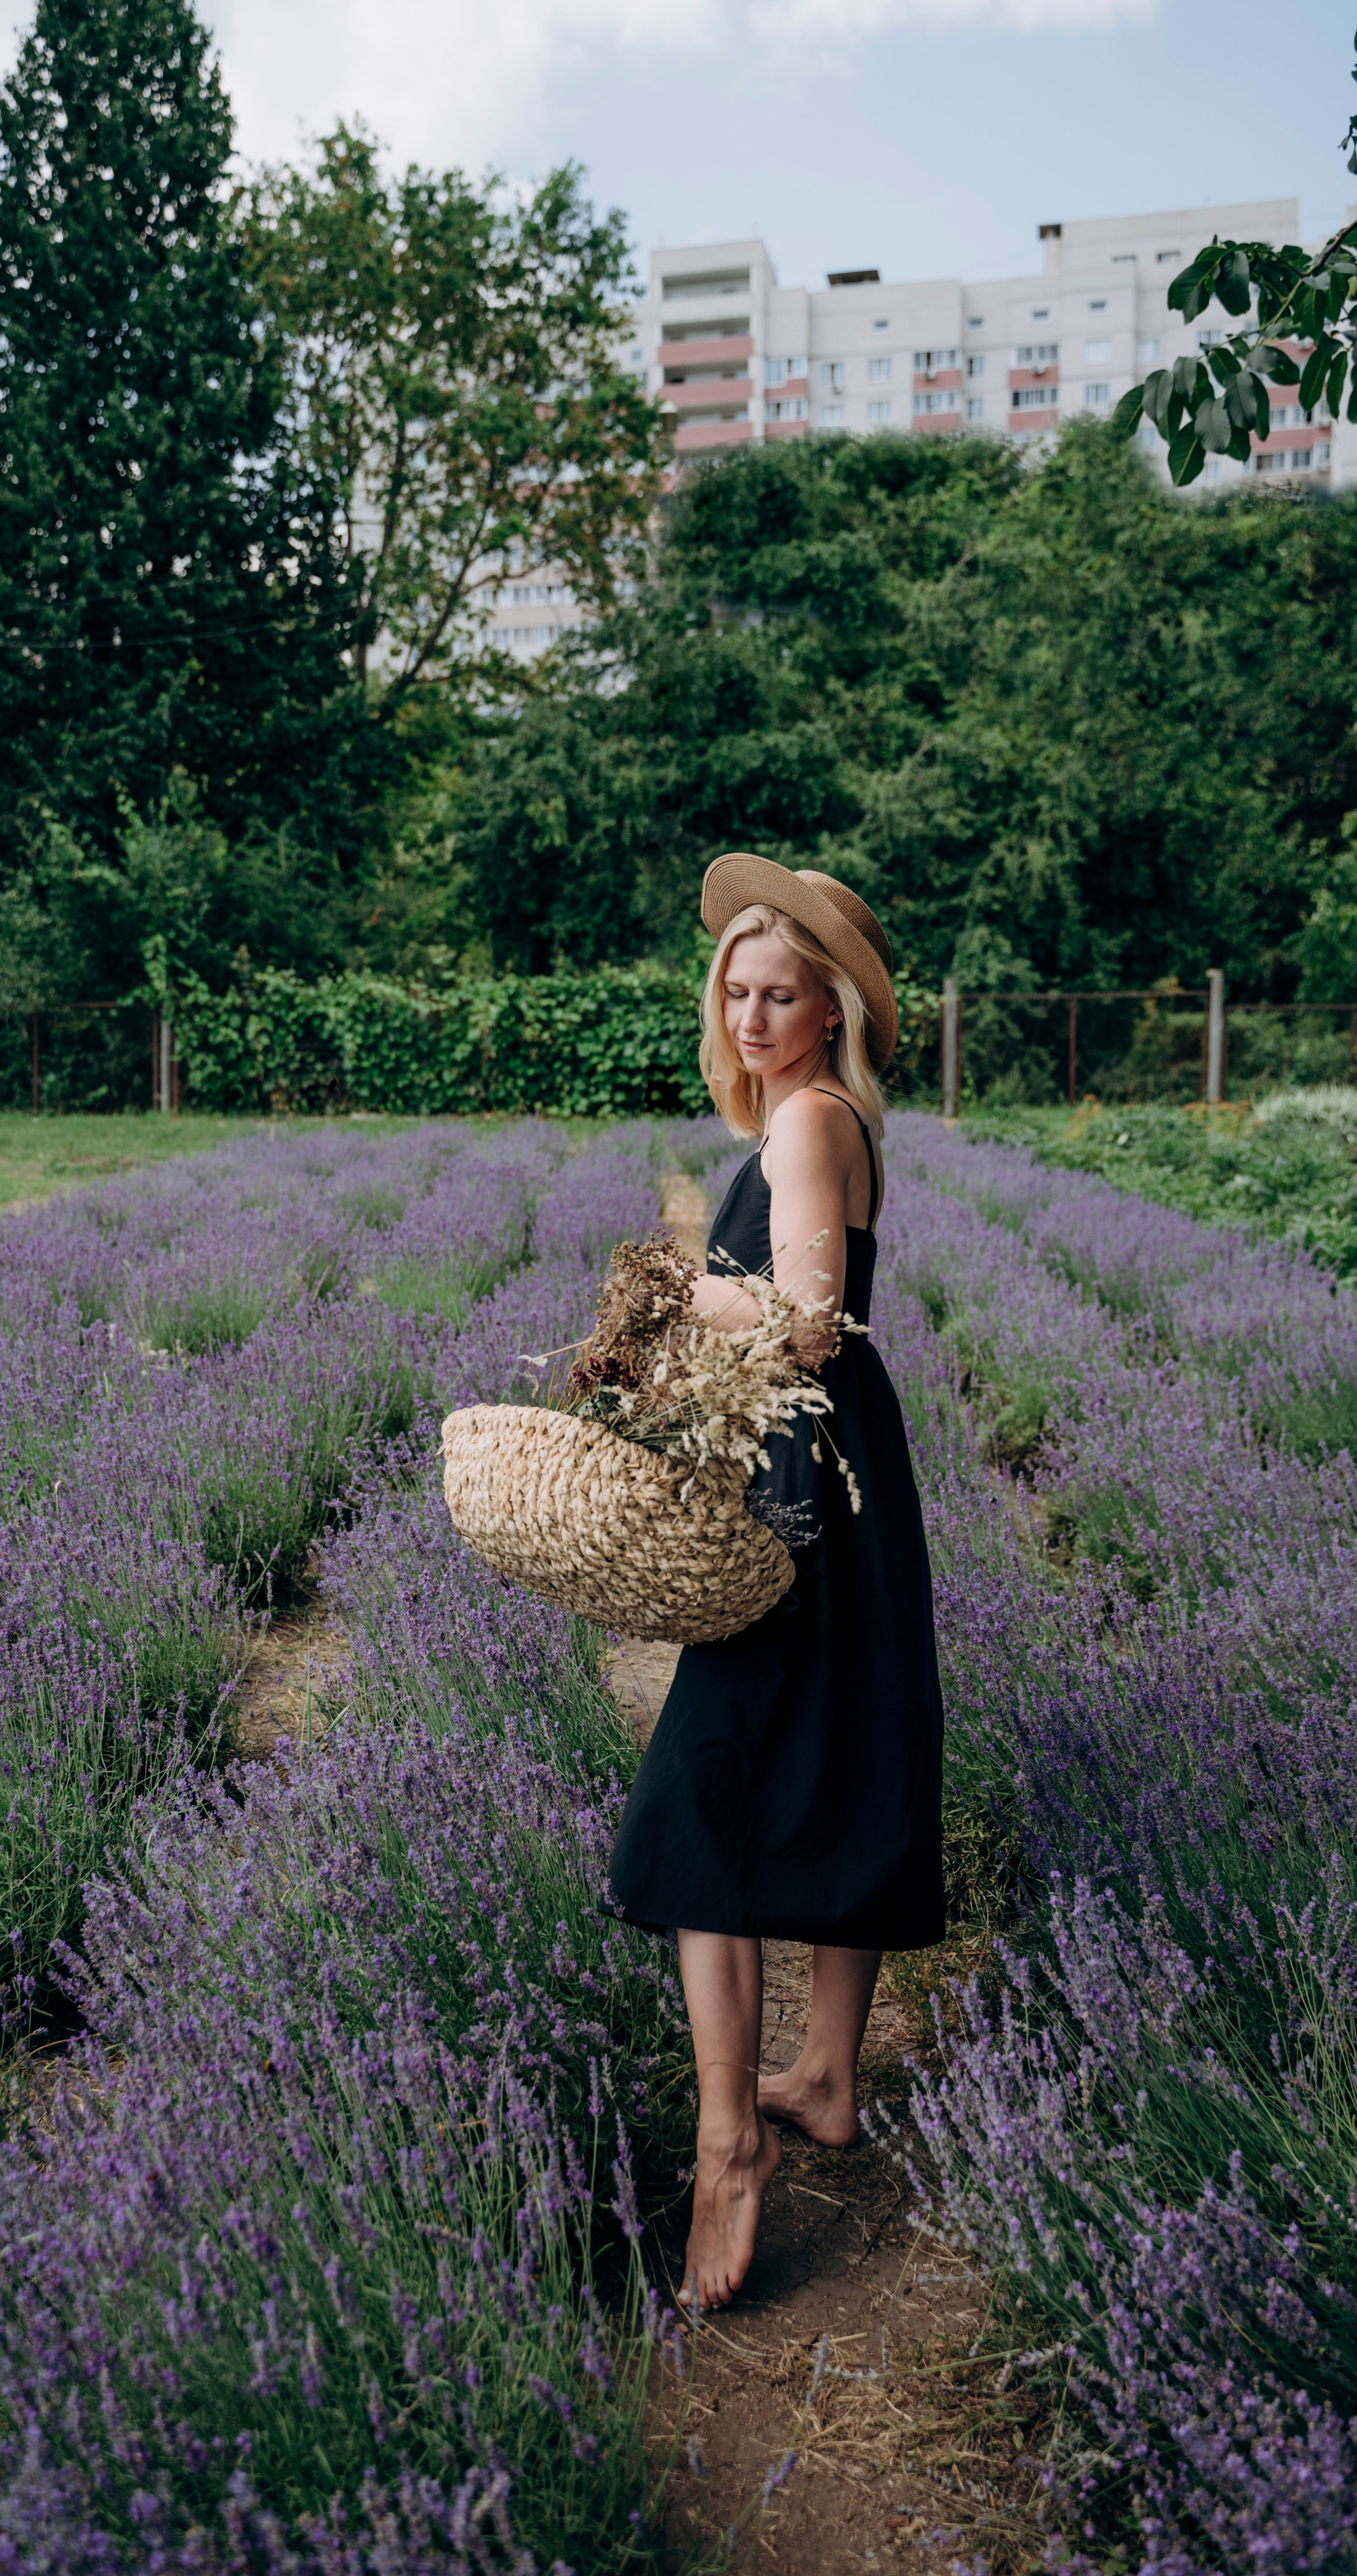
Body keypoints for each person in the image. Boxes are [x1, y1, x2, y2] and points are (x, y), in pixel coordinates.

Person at [608, 854, 945, 2311]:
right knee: (849, 1746)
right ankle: (820, 2073)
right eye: (735, 991)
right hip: (845, 1478)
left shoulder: (805, 1124)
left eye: (780, 993)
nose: (750, 1015)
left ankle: (728, 2137)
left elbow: (807, 1323)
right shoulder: (835, 1118)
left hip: (807, 1488)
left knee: (701, 1790)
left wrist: (672, 1295)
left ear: (831, 1008)